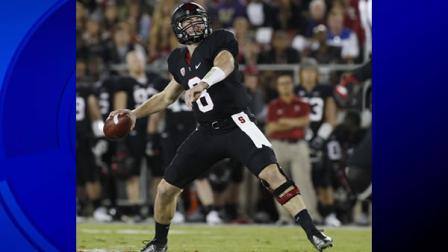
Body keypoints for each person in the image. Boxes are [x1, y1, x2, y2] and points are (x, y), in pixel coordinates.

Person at [108, 3, 332, 252]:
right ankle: (159, 243)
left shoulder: (220, 40)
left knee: (271, 174)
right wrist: (135, 114)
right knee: (165, 189)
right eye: (188, 22)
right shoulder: (177, 59)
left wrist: (205, 82)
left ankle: (313, 232)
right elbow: (166, 96)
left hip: (237, 123)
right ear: (177, 29)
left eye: (198, 20)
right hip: (205, 131)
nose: (194, 25)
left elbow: (225, 64)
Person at [266, 73, 318, 225]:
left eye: (287, 83)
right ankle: (285, 217)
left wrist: (284, 122)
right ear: (278, 87)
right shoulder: (274, 105)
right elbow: (271, 128)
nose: (285, 86)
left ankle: (311, 215)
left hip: (298, 145)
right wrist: (294, 123)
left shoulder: (301, 103)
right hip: (278, 145)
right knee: (279, 183)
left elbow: (305, 122)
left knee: (304, 182)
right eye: (282, 83)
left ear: (292, 85)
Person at [296, 59, 341, 227]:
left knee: (325, 178)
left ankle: (330, 213)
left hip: (320, 139)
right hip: (300, 139)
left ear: (317, 74)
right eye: (305, 71)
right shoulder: (295, 91)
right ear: (300, 74)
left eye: (312, 71)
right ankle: (307, 214)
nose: (308, 74)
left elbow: (332, 118)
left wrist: (320, 138)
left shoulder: (325, 90)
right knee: (304, 181)